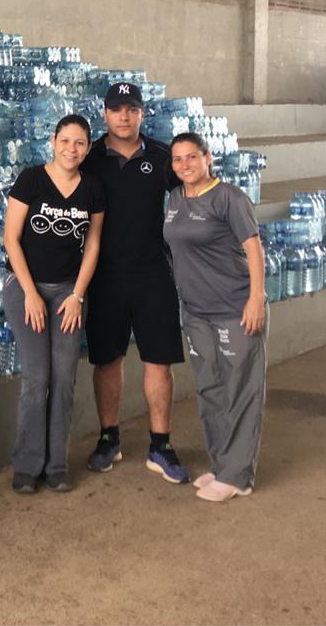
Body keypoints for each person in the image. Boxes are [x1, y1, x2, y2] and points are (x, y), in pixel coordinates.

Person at [82, 82, 189, 483]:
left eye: (131, 109)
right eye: (116, 109)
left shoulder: (162, 157)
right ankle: (108, 438)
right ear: (105, 114)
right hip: (104, 276)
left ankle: (160, 445)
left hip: (153, 273)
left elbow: (194, 196)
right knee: (107, 359)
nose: (124, 117)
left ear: (143, 114)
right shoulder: (90, 158)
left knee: (158, 360)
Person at [2, 114, 105, 494]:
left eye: (79, 143)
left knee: (64, 379)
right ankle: (27, 465)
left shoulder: (92, 188)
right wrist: (30, 293)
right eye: (65, 141)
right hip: (24, 286)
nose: (71, 149)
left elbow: (93, 244)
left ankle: (56, 465)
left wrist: (77, 295)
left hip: (68, 292)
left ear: (88, 148)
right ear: (53, 142)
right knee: (37, 378)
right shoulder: (31, 179)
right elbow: (10, 239)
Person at [164, 132, 267, 502]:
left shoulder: (229, 198)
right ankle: (222, 464)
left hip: (234, 308)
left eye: (192, 157)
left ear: (208, 158)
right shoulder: (175, 198)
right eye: (178, 159)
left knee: (240, 389)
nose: (185, 165)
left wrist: (256, 298)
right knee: (210, 388)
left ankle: (239, 476)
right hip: (195, 310)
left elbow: (254, 249)